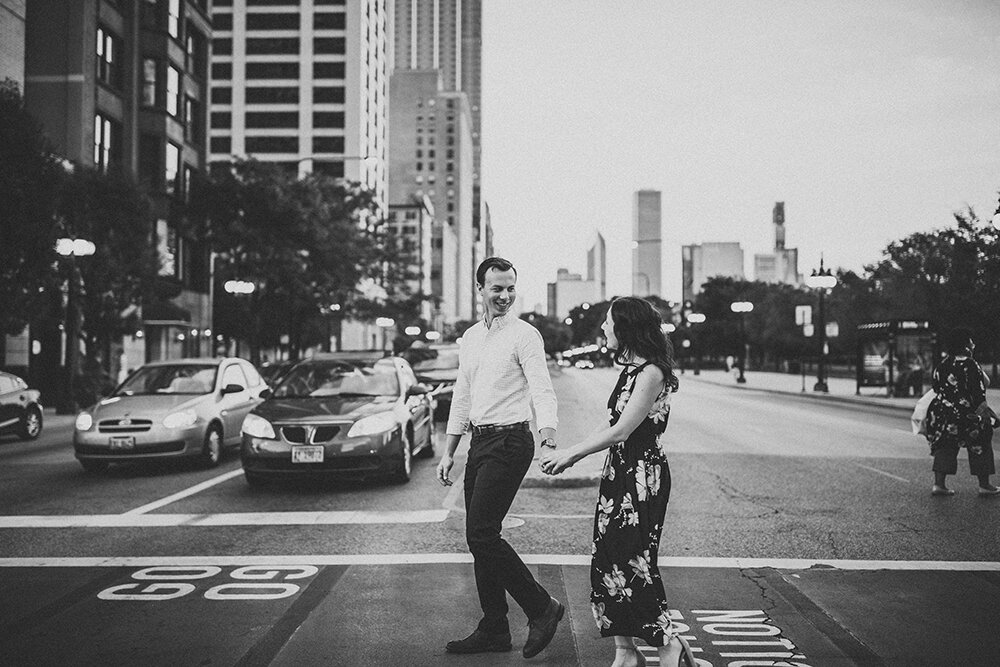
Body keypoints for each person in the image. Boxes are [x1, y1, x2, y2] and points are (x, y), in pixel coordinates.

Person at [539, 297, 692, 667]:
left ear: (626, 328)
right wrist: (568, 450)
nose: (604, 329)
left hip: (642, 476)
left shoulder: (652, 372)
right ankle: (625, 649)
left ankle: (667, 642)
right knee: (607, 559)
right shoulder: (629, 371)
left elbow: (622, 431)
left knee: (633, 560)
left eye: (608, 323)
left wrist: (572, 456)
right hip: (619, 473)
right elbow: (610, 423)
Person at [436, 256, 565, 658]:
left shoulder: (525, 335)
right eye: (497, 288)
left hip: (511, 442)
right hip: (480, 443)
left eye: (510, 287)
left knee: (481, 533)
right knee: (480, 536)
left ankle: (541, 608)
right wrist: (449, 450)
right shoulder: (471, 337)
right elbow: (463, 394)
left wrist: (548, 439)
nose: (505, 295)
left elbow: (542, 388)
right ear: (481, 289)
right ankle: (494, 627)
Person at [925, 327, 1000, 497]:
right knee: (980, 445)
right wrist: (986, 414)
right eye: (971, 341)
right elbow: (980, 389)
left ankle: (939, 484)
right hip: (969, 413)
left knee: (946, 446)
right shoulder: (971, 364)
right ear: (966, 345)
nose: (973, 344)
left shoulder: (943, 364)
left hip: (946, 412)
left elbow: (936, 387)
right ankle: (985, 485)